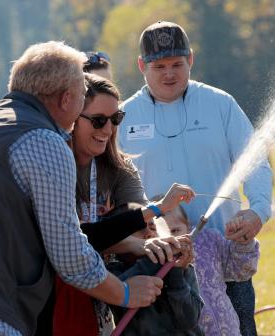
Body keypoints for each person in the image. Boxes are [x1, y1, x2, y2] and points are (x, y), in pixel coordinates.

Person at [0, 41, 164, 336]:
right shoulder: (44, 141)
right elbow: (69, 256)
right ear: (67, 99)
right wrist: (125, 292)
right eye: (83, 95)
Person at [118, 21, 273, 335]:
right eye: (158, 66)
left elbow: (254, 161)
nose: (169, 74)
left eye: (177, 64)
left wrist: (257, 210)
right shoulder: (122, 117)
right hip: (159, 273)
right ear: (140, 65)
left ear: (191, 59)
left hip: (226, 262)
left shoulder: (220, 104)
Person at [51, 73, 196, 336]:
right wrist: (138, 244)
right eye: (98, 120)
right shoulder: (54, 166)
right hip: (62, 295)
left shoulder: (120, 168)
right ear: (72, 118)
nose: (108, 129)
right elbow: (71, 239)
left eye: (115, 119)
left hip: (108, 289)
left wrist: (167, 244)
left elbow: (141, 219)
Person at [152, 198, 259, 335]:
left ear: (188, 226)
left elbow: (239, 270)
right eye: (163, 235)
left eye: (175, 230)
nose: (173, 241)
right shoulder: (154, 263)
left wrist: (243, 241)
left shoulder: (208, 242)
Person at [107, 208, 204, 335]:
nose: (149, 234)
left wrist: (176, 275)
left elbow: (190, 320)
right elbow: (117, 298)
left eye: (152, 228)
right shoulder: (113, 273)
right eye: (138, 229)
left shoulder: (182, 268)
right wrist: (154, 261)